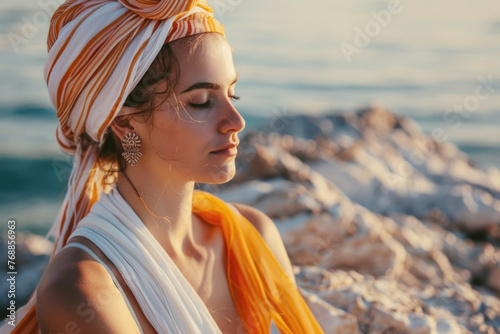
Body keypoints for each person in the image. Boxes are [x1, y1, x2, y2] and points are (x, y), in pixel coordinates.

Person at [3, 1, 323, 333]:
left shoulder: (254, 231)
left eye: (233, 94)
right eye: (201, 102)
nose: (236, 121)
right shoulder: (82, 288)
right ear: (125, 124)